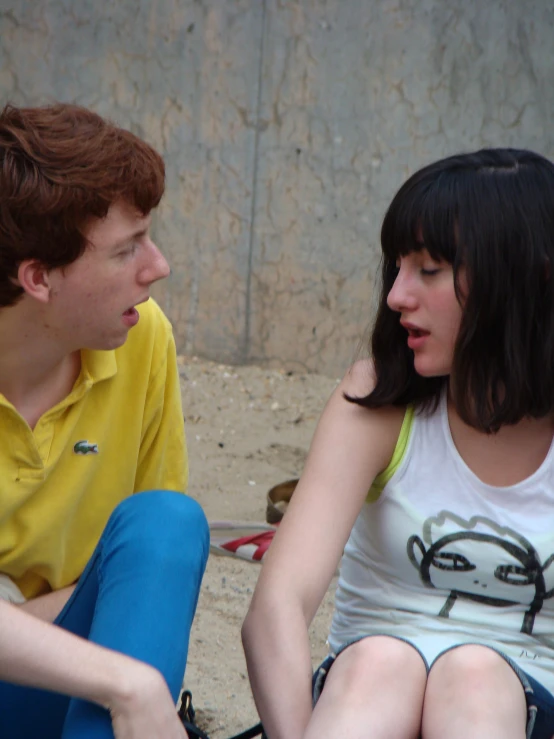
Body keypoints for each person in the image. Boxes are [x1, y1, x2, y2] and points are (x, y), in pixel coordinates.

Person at [242, 149, 554, 739]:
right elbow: (274, 611)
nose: (396, 297)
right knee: (381, 661)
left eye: (429, 271)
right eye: (398, 268)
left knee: (474, 675)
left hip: (524, 707)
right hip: (365, 699)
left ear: (527, 275)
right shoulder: (379, 398)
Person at [0, 102, 209, 738]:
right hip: (75, 668)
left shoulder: (141, 338)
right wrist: (131, 683)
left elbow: (147, 575)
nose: (158, 267)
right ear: (38, 278)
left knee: (167, 522)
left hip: (52, 682)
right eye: (127, 250)